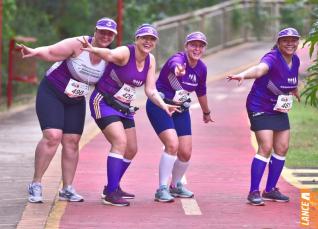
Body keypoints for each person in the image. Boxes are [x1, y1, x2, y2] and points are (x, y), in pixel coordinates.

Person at [18, 17, 118, 203]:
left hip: (75, 99)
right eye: (102, 31)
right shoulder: (79, 44)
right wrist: (34, 52)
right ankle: (36, 183)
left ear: (114, 37)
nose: (105, 36)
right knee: (53, 136)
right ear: (95, 31)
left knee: (72, 142)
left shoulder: (109, 57)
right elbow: (50, 51)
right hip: (52, 92)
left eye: (109, 34)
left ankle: (67, 189)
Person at [80, 24, 179, 207]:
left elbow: (150, 90)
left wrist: (164, 104)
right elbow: (110, 55)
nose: (148, 42)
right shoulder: (126, 52)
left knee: (132, 149)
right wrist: (92, 49)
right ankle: (110, 193)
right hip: (103, 101)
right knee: (120, 142)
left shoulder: (150, 60)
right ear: (137, 39)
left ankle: (113, 185)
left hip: (124, 106)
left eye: (152, 39)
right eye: (144, 38)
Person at [227, 27, 301, 206]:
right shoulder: (272, 57)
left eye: (293, 40)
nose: (290, 43)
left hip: (278, 108)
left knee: (282, 147)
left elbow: (291, 79)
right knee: (266, 147)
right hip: (259, 105)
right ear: (278, 43)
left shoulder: (296, 60)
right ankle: (253, 191)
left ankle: (270, 190)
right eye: (285, 40)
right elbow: (260, 70)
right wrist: (243, 75)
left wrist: (295, 91)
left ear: (297, 42)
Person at [145, 31, 214, 202]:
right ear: (186, 46)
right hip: (160, 106)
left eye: (200, 46)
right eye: (193, 45)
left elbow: (201, 91)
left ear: (204, 49)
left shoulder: (202, 68)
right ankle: (161, 188)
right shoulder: (178, 59)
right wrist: (178, 70)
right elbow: (175, 66)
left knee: (185, 152)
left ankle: (175, 186)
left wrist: (206, 112)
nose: (197, 49)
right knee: (172, 144)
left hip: (180, 109)